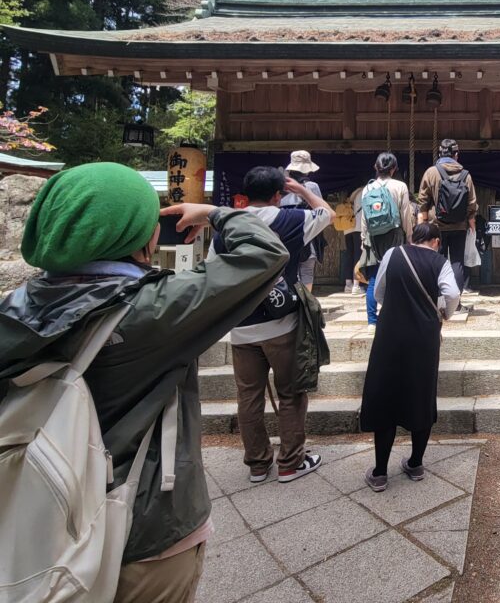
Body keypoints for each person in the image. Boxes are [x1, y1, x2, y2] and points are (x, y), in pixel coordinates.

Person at [0, 162, 289, 602]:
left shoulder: (14, 310)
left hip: (36, 519)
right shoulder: (153, 310)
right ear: (143, 236)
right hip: (143, 526)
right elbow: (265, 254)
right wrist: (215, 212)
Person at [209, 166, 335, 484]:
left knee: (248, 396)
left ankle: (257, 464)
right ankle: (290, 462)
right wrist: (304, 190)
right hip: (282, 324)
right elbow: (327, 214)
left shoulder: (228, 228)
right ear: (279, 194)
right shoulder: (290, 221)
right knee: (291, 393)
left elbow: (212, 269)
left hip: (241, 326)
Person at [360, 222, 460, 492]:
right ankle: (415, 463)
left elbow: (379, 290)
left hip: (390, 334)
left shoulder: (394, 253)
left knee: (385, 397)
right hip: (424, 337)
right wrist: (444, 313)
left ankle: (380, 473)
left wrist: (393, 304)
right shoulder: (440, 261)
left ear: (412, 238)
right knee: (421, 394)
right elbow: (452, 293)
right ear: (436, 241)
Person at [360, 153, 414, 331]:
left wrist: (363, 239)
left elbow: (364, 218)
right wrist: (409, 237)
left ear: (376, 167)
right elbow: (405, 214)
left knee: (374, 277)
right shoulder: (400, 186)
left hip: (374, 236)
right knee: (396, 274)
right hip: (395, 233)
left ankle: (371, 321)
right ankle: (394, 316)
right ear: (394, 169)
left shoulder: (367, 188)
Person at [417, 139, 478, 286]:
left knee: (437, 260)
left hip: (436, 226)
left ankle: (439, 299)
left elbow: (423, 200)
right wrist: (472, 223)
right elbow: (472, 203)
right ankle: (455, 300)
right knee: (457, 262)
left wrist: (423, 223)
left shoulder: (431, 173)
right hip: (459, 226)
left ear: (439, 153)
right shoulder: (465, 175)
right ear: (456, 155)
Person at [280, 150, 324, 292]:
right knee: (306, 272)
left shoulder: (281, 186)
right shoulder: (312, 187)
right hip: (306, 233)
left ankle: (288, 301)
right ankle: (305, 304)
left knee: (286, 271)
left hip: (284, 234)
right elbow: (321, 210)